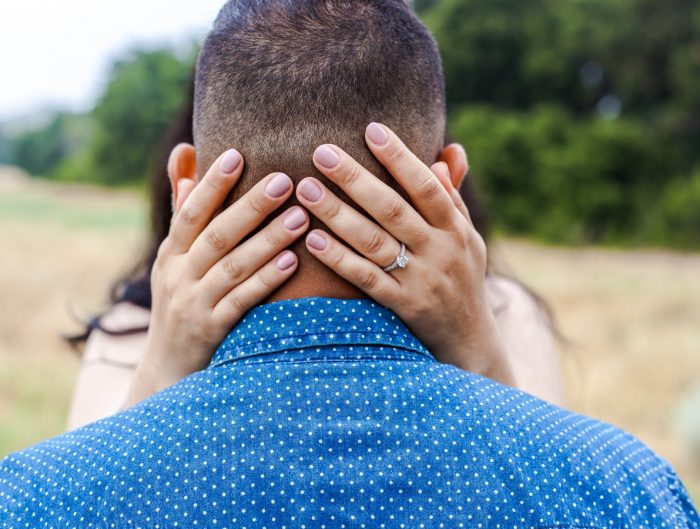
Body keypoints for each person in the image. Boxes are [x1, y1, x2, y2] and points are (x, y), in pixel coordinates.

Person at [2, 1, 697, 527]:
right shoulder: (634, 487)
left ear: (191, 179)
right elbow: (546, 477)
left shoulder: (26, 497)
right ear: (444, 176)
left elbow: (95, 491)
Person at [66, 81, 564, 431]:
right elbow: (105, 484)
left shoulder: (503, 309)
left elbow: (536, 479)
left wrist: (474, 340)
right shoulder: (134, 327)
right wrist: (163, 361)